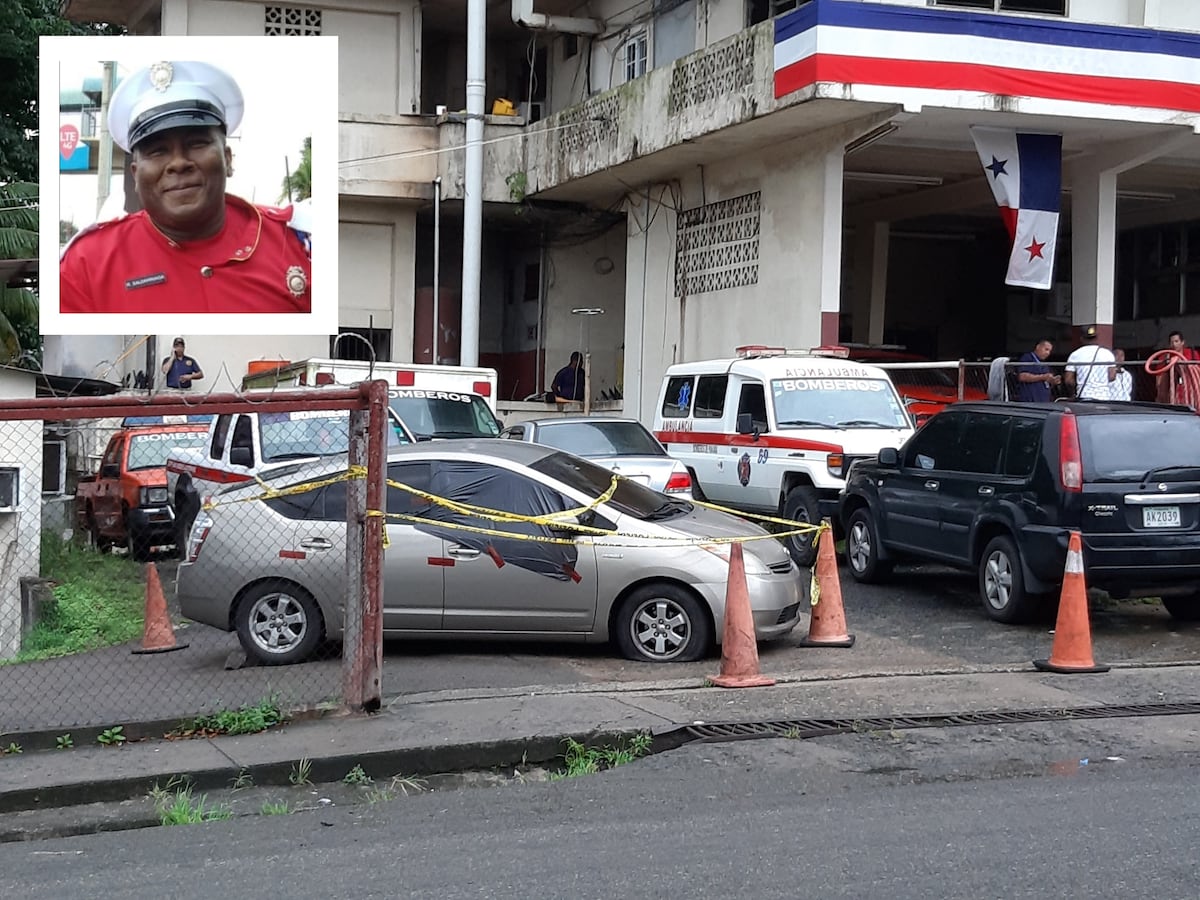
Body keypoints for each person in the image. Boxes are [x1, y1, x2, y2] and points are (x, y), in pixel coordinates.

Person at [60, 60, 312, 315]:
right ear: (135, 175)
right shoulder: (85, 265)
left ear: (227, 159)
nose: (178, 163)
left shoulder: (300, 245)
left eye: (196, 143)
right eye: (158, 151)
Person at [1064, 326, 1116, 400]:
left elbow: (1068, 380)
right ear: (1096, 338)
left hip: (1084, 395)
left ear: (1081, 339)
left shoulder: (1075, 355)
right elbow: (1112, 376)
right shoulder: (1107, 354)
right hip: (1104, 396)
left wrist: (1073, 392)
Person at [1155, 330, 1200, 405]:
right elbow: (1159, 378)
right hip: (1173, 392)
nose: (1174, 344)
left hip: (1191, 392)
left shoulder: (1193, 354)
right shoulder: (1165, 357)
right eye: (1172, 342)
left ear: (1182, 342)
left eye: (1176, 341)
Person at [1013, 338, 1060, 402]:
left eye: (1049, 351)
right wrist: (1043, 377)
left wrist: (1053, 381)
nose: (1048, 353)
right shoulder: (1028, 358)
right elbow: (1022, 376)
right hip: (1030, 400)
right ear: (1038, 347)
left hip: (1043, 400)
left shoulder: (1044, 363)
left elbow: (1046, 381)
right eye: (1046, 349)